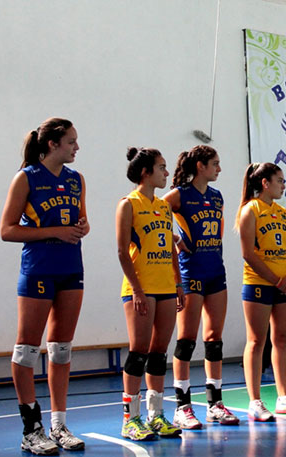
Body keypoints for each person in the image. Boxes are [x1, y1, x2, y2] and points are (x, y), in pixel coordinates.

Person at [0, 118, 88, 454]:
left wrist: (81, 227)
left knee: (62, 348)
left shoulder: (76, 180)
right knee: (26, 348)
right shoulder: (26, 178)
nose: (76, 148)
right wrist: (55, 232)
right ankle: (30, 427)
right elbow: (7, 230)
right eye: (71, 142)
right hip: (38, 270)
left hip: (71, 269)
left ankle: (59, 424)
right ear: (52, 144)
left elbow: (81, 220)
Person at [162, 145, 239, 428]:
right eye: (215, 163)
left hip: (215, 272)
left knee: (214, 339)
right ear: (200, 166)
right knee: (186, 340)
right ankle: (182, 406)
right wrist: (176, 239)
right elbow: (154, 212)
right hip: (190, 273)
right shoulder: (181, 195)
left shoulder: (217, 197)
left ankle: (214, 403)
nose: (219, 168)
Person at [115, 147, 185, 441]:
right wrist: (138, 291)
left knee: (159, 353)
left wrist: (179, 283)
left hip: (166, 286)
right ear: (146, 172)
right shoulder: (128, 204)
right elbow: (121, 251)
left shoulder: (163, 206)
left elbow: (170, 246)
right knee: (138, 352)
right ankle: (131, 419)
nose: (167, 173)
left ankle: (156, 414)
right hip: (140, 288)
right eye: (162, 167)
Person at [236, 162, 286, 421]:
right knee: (257, 341)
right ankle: (255, 401)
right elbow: (248, 254)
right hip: (258, 283)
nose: (283, 185)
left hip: (283, 283)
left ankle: (284, 397)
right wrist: (277, 281)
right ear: (265, 183)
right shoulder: (250, 210)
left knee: (281, 339)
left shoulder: (282, 212)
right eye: (279, 180)